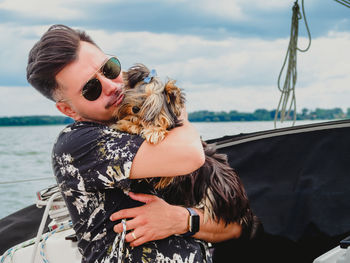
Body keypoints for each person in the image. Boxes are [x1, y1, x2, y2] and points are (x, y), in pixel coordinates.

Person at [26, 24, 242, 263]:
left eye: (109, 69)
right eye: (91, 88)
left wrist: (181, 220)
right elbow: (191, 155)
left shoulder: (155, 131)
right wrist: (174, 108)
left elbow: (232, 227)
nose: (111, 86)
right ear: (68, 109)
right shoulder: (77, 144)